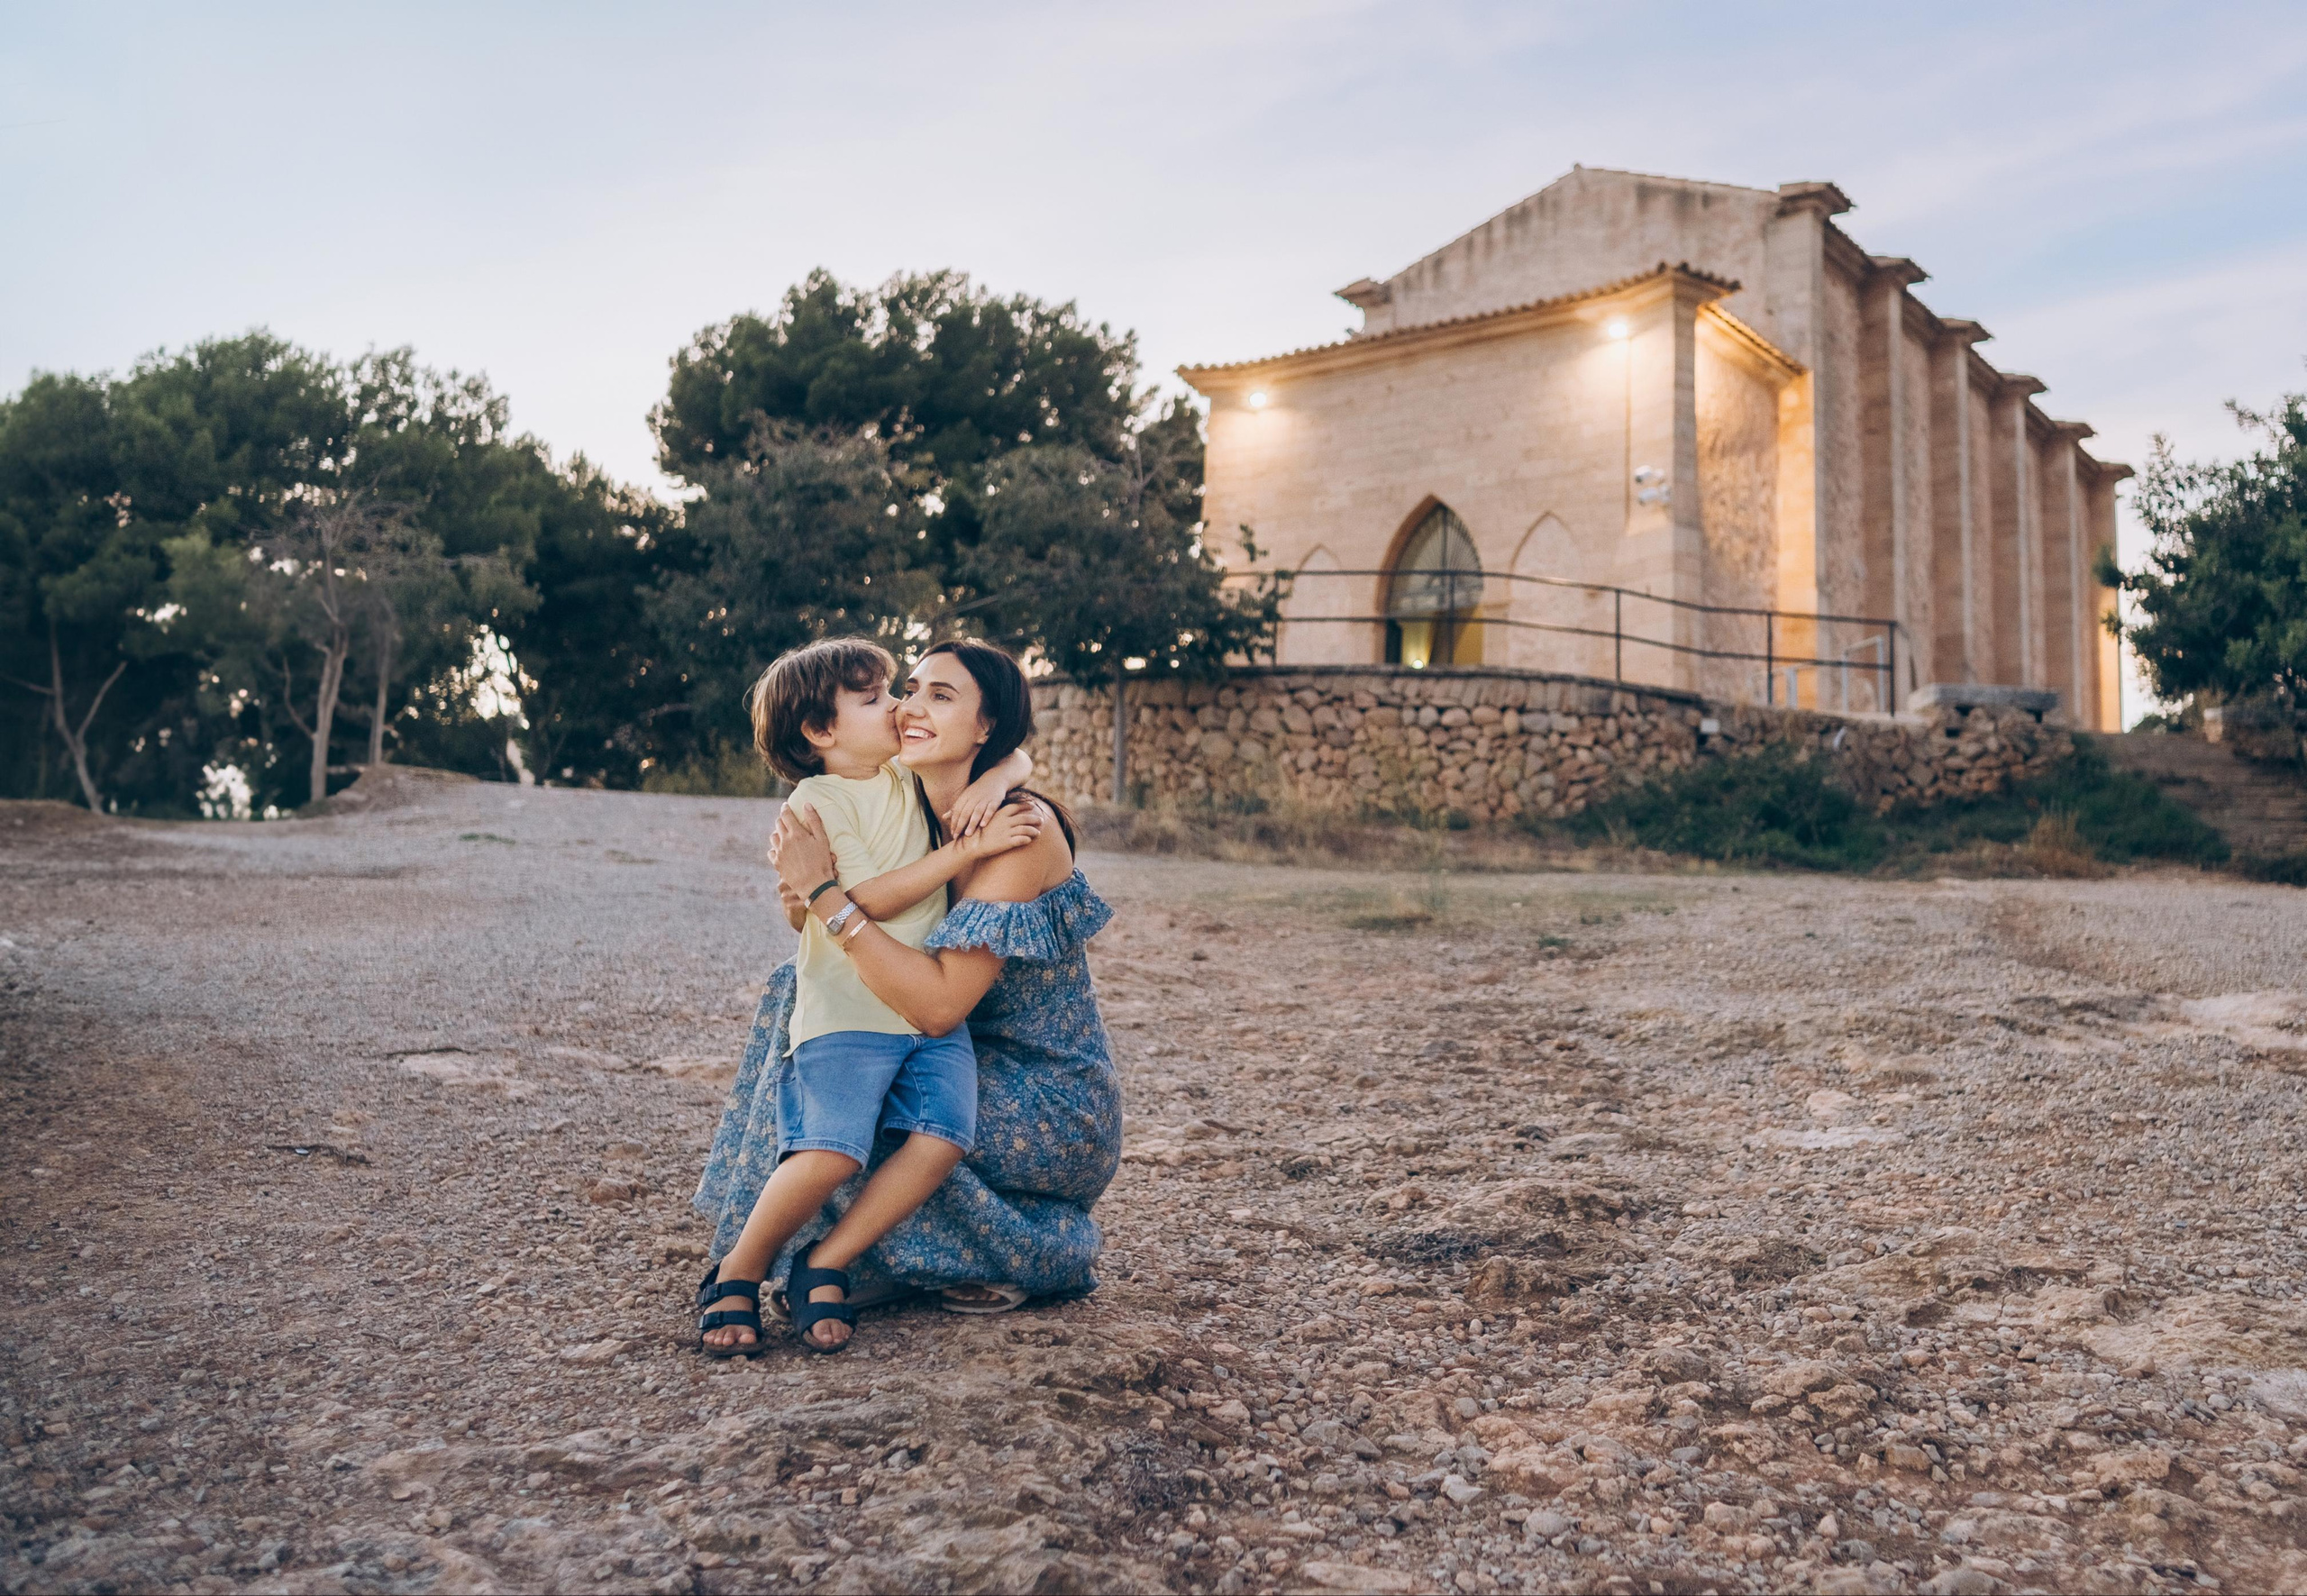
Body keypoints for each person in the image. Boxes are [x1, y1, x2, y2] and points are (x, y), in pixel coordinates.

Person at [694, 638, 1123, 1344]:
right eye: (910, 687)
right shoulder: (906, 790)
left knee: (859, 1124)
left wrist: (827, 897)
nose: (910, 706)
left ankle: (849, 1256)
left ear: (985, 727)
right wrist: (805, 895)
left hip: (1046, 1096)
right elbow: (804, 904)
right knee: (796, 1002)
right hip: (947, 1045)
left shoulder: (1017, 828)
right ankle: (826, 1255)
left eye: (940, 696)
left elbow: (935, 1004)